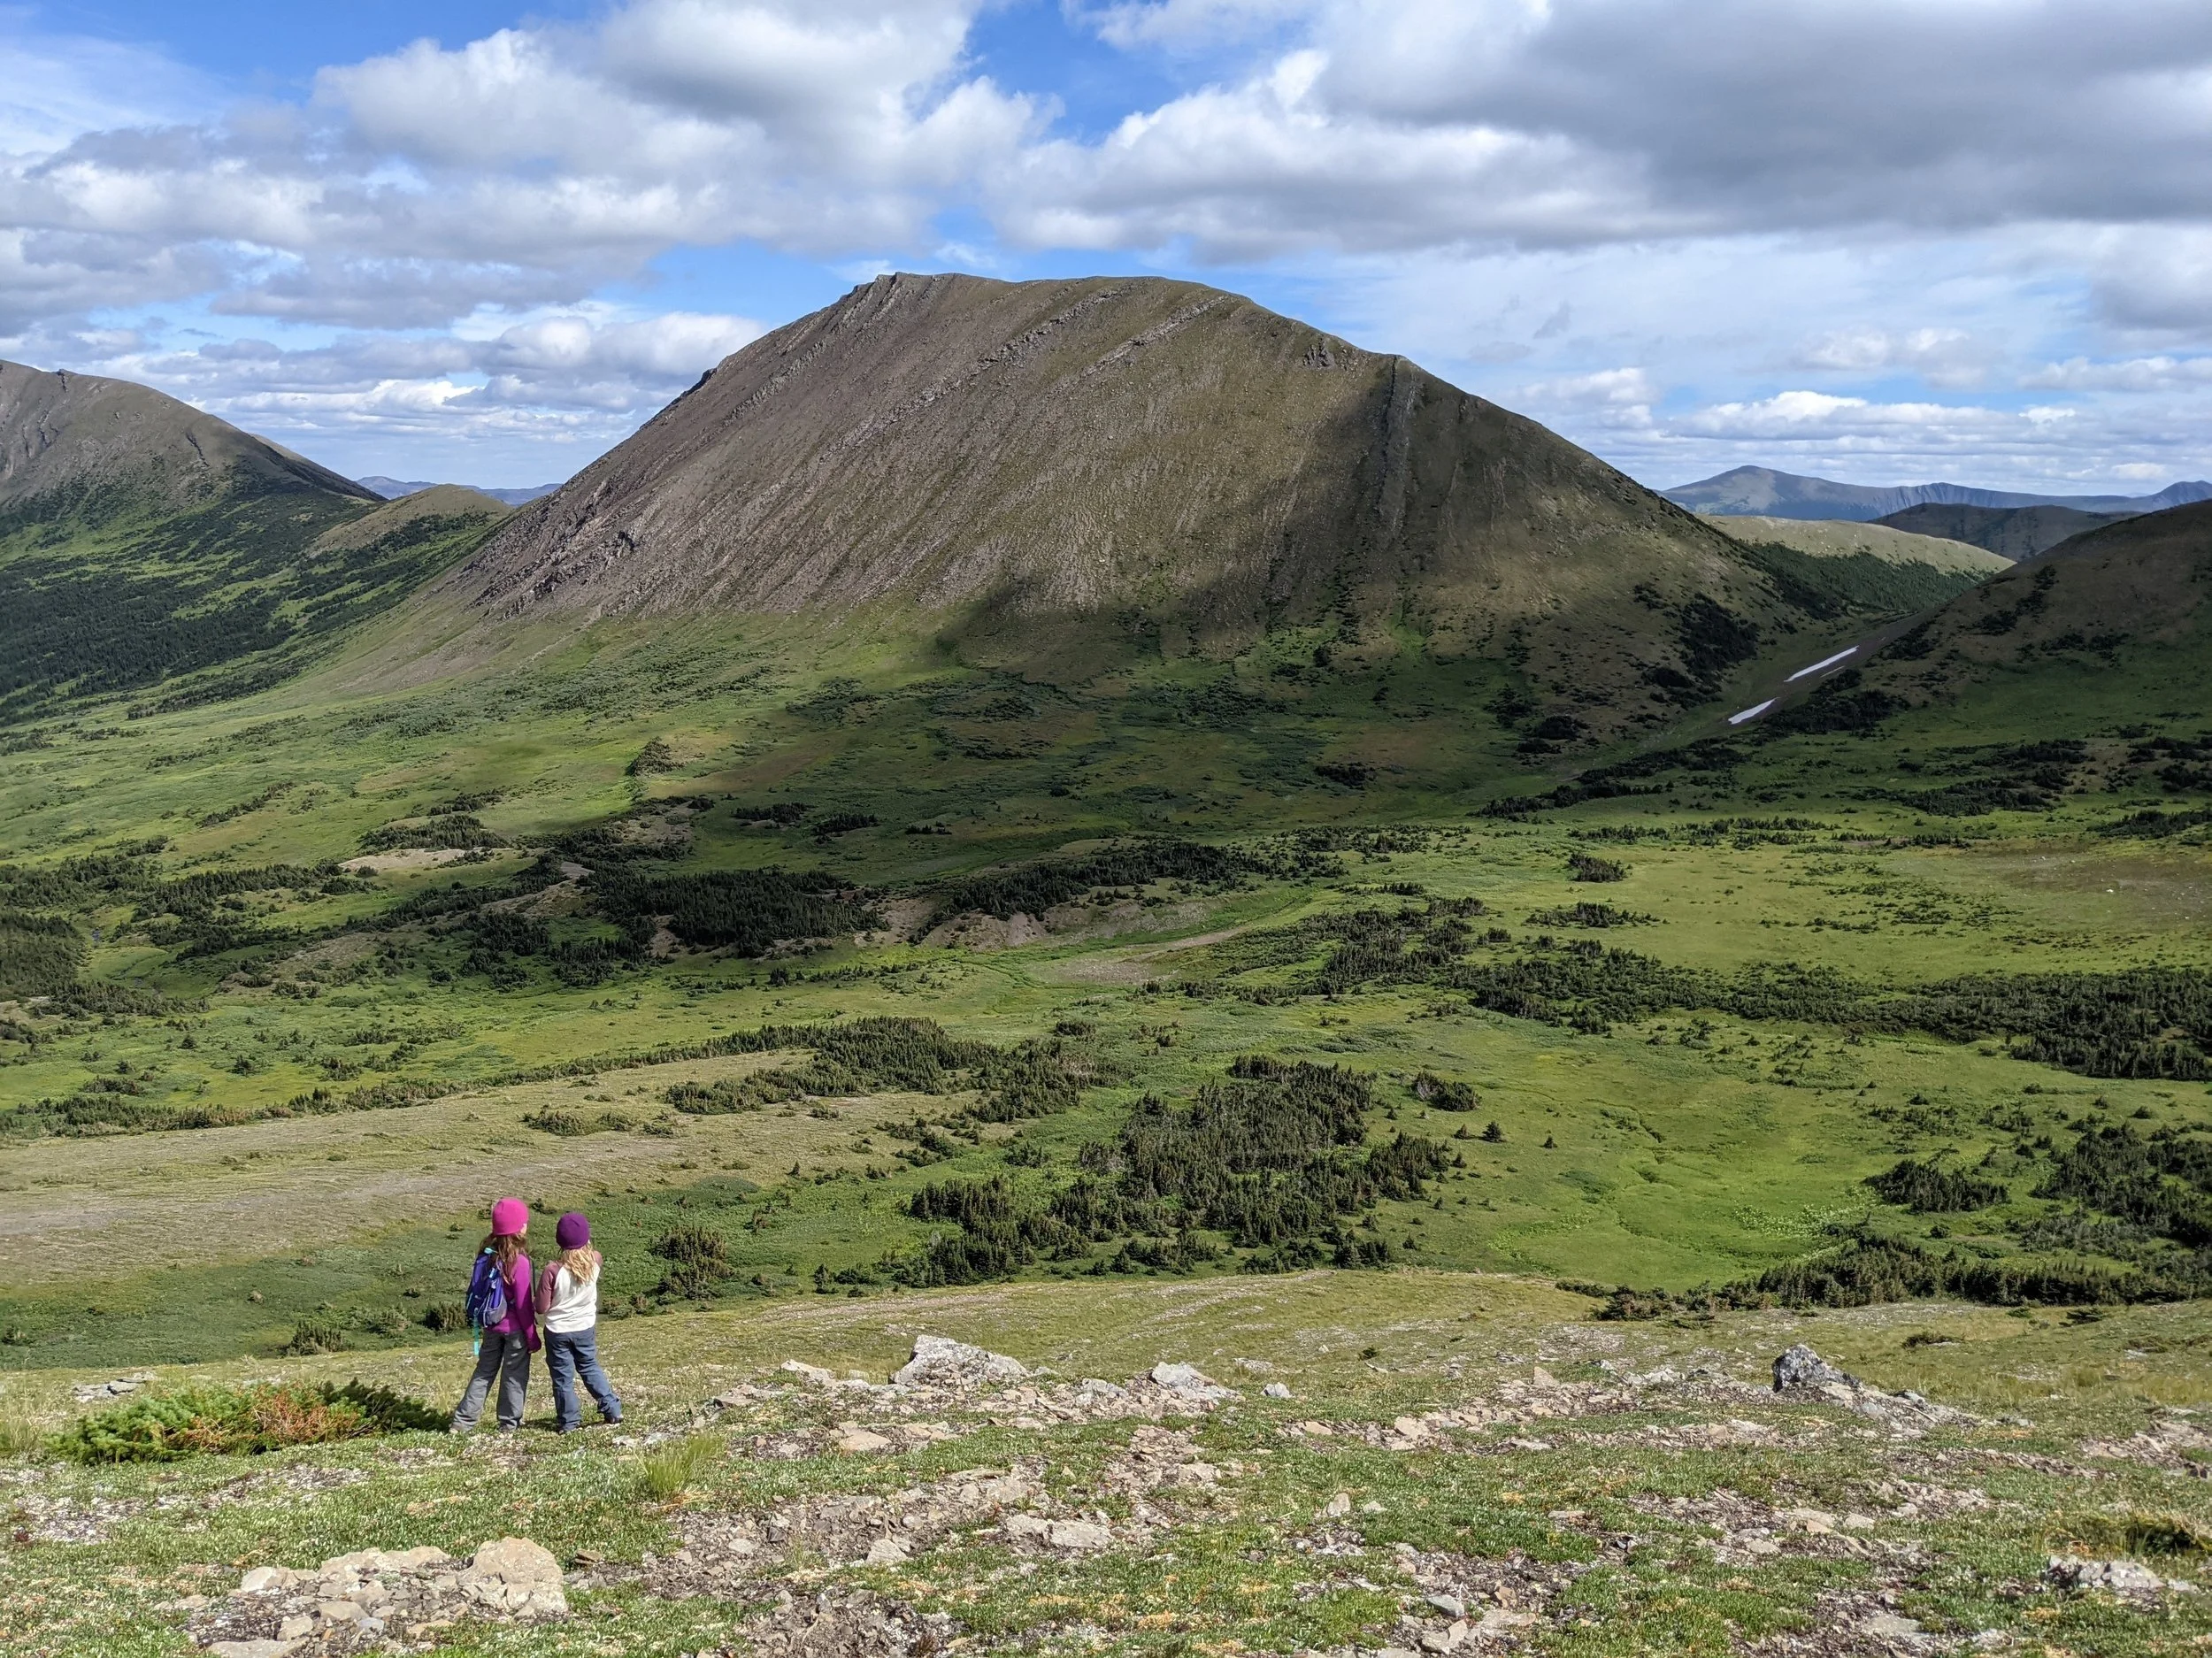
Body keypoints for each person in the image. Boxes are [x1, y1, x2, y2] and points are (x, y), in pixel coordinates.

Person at [450, 1197, 538, 1433]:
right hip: (515, 1330)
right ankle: (508, 1423)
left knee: (484, 1372)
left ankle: (462, 1422)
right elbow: (523, 1306)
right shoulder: (520, 1262)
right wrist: (532, 1336)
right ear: (519, 1228)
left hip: (490, 1326)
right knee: (513, 1375)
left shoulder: (485, 1255)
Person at [536, 1209, 622, 1432]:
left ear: (560, 1240)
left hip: (558, 1331)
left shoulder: (552, 1270)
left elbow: (541, 1307)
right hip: (585, 1327)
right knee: (589, 1366)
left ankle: (569, 1422)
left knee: (562, 1377)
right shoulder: (596, 1260)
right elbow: (591, 1259)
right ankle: (612, 1408)